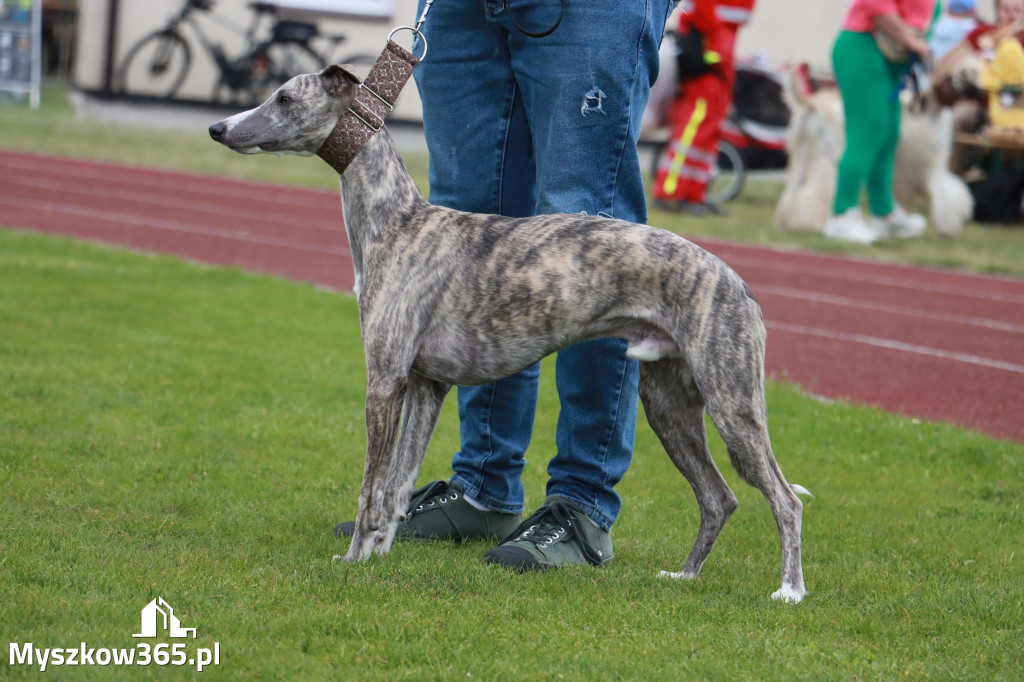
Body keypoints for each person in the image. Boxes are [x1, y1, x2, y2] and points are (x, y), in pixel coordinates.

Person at [339, 0, 675, 571]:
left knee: (589, 246)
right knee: (464, 224)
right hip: (458, 9)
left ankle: (581, 506)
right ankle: (483, 489)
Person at [824, 0, 940, 244]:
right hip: (861, 47)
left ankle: (884, 215)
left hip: (892, 58)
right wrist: (911, 42)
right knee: (867, 133)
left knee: (888, 135)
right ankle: (842, 214)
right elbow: (875, 6)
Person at [652, 0, 757, 215]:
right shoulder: (712, 14)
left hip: (717, 73)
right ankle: (669, 191)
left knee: (706, 139)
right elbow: (702, 16)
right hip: (706, 73)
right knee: (691, 137)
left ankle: (695, 194)